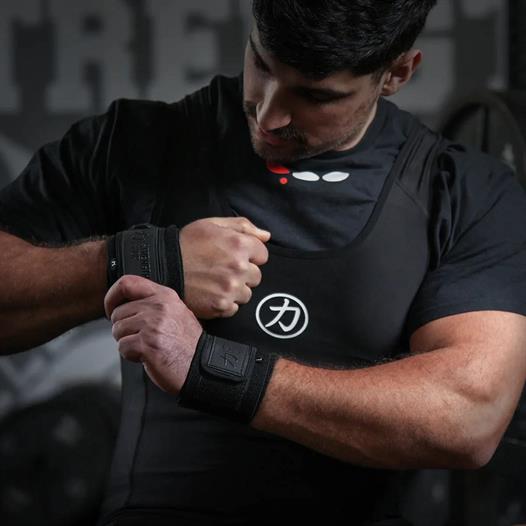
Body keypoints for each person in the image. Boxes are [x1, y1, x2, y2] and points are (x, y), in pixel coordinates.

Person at [1, 1, 526, 524]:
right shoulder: (136, 145)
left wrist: (208, 368)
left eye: (316, 95)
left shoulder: (462, 192)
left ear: (397, 73)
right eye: (262, 64)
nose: (271, 115)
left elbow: (469, 415)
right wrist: (141, 258)